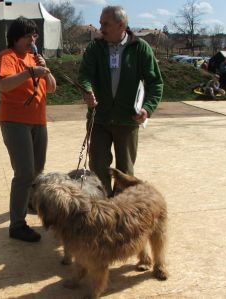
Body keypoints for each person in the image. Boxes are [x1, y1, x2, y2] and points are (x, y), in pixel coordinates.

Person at [78, 6, 163, 195]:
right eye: (100, 23)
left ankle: (121, 212)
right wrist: (87, 89)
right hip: (99, 119)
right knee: (98, 167)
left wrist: (147, 109)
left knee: (125, 172)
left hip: (128, 121)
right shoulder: (95, 47)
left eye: (105, 24)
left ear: (121, 25)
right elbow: (85, 74)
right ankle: (102, 209)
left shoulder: (140, 48)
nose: (101, 28)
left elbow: (156, 83)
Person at [0, 17, 56, 242]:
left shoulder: (34, 58)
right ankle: (17, 225)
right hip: (14, 121)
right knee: (24, 173)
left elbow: (52, 88)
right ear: (16, 37)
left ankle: (28, 203)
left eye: (34, 36)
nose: (32, 40)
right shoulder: (7, 57)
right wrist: (30, 72)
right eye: (28, 35)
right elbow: (4, 84)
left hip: (38, 120)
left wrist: (45, 69)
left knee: (37, 169)